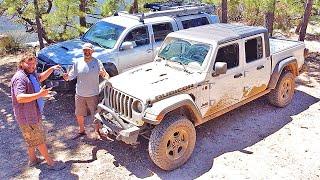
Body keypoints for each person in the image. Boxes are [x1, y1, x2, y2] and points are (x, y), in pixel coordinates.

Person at [10, 52, 66, 170]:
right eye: (29, 64)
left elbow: (40, 77)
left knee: (31, 138)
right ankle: (51, 162)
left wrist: (51, 69)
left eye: (34, 64)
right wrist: (39, 94)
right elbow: (20, 97)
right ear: (21, 63)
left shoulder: (30, 73)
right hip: (27, 116)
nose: (32, 67)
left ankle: (33, 160)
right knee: (38, 138)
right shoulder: (20, 78)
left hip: (33, 112)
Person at [63, 43, 109, 139]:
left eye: (88, 50)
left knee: (95, 114)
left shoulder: (97, 62)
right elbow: (70, 76)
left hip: (93, 94)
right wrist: (66, 77)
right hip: (80, 94)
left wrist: (103, 73)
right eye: (85, 50)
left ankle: (97, 131)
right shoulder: (78, 62)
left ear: (92, 51)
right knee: (79, 113)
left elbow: (106, 76)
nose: (86, 52)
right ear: (83, 51)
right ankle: (81, 130)